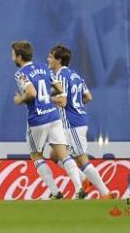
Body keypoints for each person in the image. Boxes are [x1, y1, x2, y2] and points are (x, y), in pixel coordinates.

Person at [10, 40, 85, 199]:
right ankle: (79, 188)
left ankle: (55, 191)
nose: (12, 58)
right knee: (64, 155)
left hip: (37, 119)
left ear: (20, 57)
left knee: (36, 155)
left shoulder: (20, 74)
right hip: (53, 116)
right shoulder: (43, 67)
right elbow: (59, 87)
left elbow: (31, 93)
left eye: (13, 55)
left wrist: (20, 99)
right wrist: (55, 97)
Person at [47, 44, 111, 199]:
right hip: (76, 121)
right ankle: (83, 179)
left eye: (50, 56)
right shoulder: (76, 76)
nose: (47, 59)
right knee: (54, 155)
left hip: (72, 123)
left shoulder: (60, 77)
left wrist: (44, 99)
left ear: (59, 60)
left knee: (82, 159)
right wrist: (76, 104)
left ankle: (105, 193)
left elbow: (62, 101)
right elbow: (88, 97)